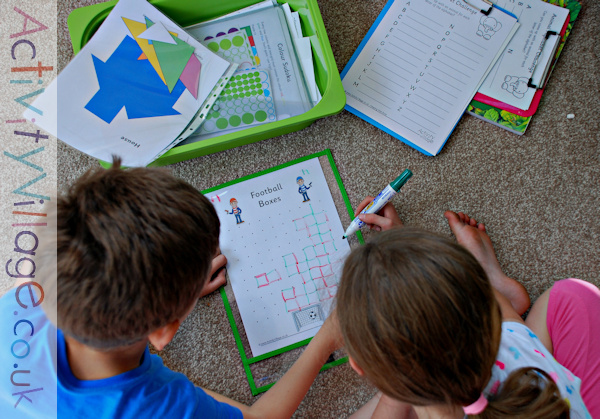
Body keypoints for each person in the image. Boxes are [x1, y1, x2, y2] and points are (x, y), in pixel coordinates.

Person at [0, 158, 339, 418]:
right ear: (163, 333)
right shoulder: (169, 407)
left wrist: (171, 290)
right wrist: (328, 336)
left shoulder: (21, 302)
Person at [335, 196, 598, 418]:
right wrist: (405, 251)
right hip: (555, 396)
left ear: (359, 367)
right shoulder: (512, 351)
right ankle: (488, 279)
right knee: (572, 295)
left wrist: (394, 384)